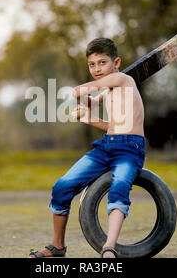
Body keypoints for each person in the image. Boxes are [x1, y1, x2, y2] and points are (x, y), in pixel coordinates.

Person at [28, 38, 146, 258]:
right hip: (107, 145)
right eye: (92, 65)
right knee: (61, 187)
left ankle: (110, 246)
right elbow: (115, 126)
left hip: (130, 149)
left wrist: (74, 92)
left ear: (116, 62)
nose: (97, 69)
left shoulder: (123, 79)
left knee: (118, 189)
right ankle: (57, 246)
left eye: (102, 62)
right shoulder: (111, 91)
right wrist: (89, 117)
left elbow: (91, 89)